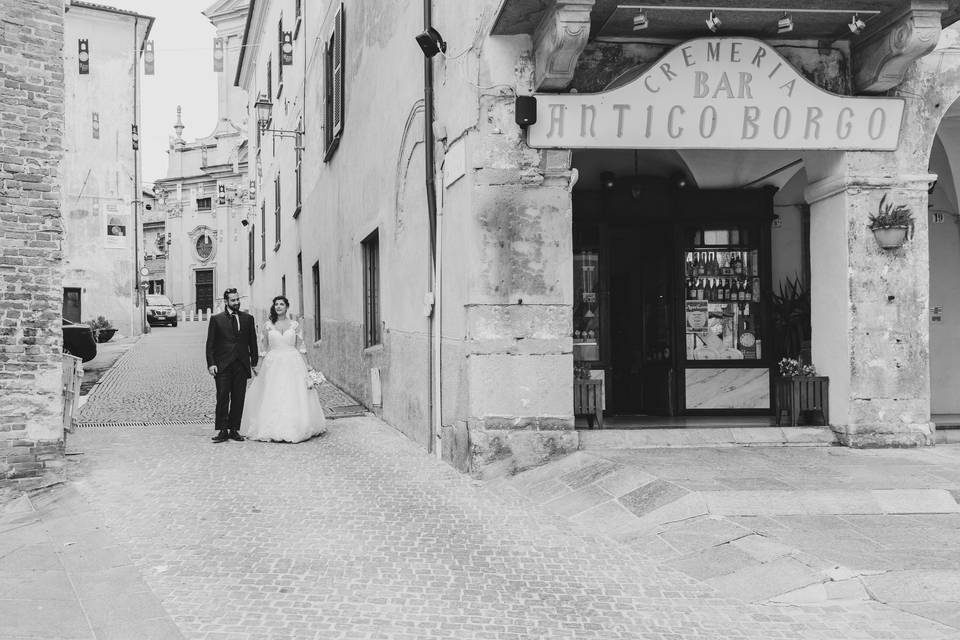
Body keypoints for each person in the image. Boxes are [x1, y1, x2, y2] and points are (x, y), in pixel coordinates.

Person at [239, 295, 327, 443]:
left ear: (287, 307)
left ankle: (298, 425)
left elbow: (301, 347)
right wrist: (258, 366)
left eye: (281, 304)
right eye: (276, 304)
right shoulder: (267, 325)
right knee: (272, 392)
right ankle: (272, 426)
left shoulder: (295, 325)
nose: (279, 306)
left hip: (293, 362)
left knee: (294, 392)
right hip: (273, 363)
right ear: (274, 307)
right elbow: (263, 348)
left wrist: (307, 366)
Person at [205, 288, 259, 443]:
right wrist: (211, 364)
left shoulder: (248, 319)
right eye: (233, 300)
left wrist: (253, 362)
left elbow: (252, 342)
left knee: (238, 397)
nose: (236, 302)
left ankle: (234, 429)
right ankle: (222, 430)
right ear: (226, 301)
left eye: (237, 299)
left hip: (241, 364)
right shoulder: (216, 319)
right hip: (222, 365)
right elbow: (210, 344)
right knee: (222, 397)